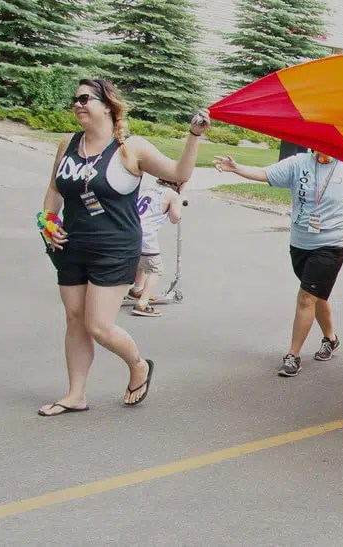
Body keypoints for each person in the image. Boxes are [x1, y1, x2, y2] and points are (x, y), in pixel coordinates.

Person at [37, 78, 209, 416]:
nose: (78, 104)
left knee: (98, 325)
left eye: (86, 98)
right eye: (75, 99)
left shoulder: (132, 149)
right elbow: (54, 189)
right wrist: (48, 224)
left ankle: (138, 365)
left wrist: (194, 136)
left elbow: (179, 171)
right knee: (74, 319)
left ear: (107, 105)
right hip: (70, 245)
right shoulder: (68, 144)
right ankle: (75, 394)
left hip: (115, 248)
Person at [213, 150, 343, 376]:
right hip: (300, 243)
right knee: (317, 295)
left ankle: (293, 356)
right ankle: (331, 339)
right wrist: (237, 168)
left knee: (306, 297)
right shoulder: (299, 163)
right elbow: (266, 174)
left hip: (332, 244)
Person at [128, 178, 183, 317]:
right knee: (156, 269)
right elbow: (175, 218)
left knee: (141, 260)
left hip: (132, 228)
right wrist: (180, 199)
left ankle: (137, 289)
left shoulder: (149, 187)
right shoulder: (172, 195)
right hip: (145, 235)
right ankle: (142, 304)